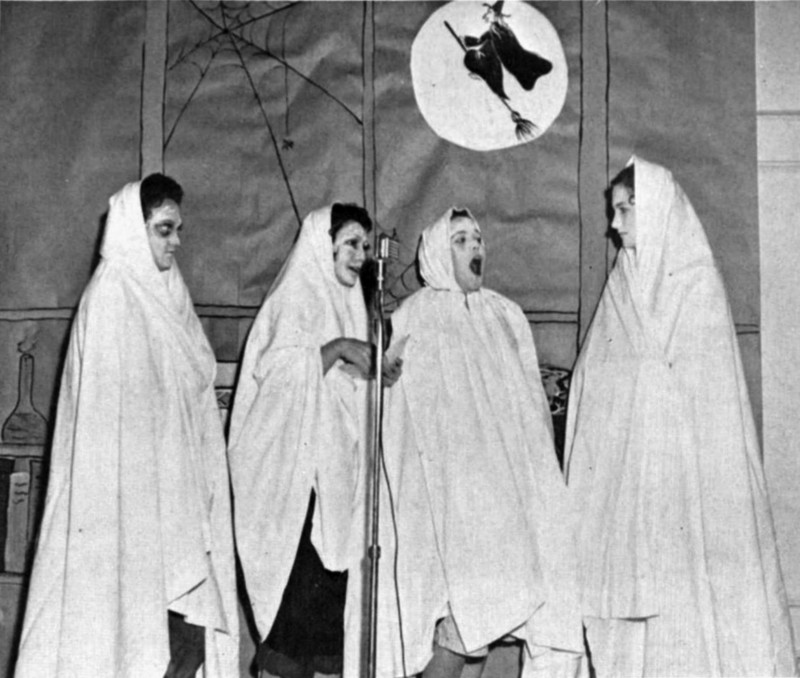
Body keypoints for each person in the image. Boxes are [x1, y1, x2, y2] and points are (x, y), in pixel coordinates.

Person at [564, 157, 796, 677]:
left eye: (625, 210)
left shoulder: (696, 283)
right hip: (632, 486)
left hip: (690, 487)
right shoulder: (623, 284)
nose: (614, 223)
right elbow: (593, 377)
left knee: (693, 615)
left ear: (655, 209)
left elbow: (708, 397)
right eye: (614, 211)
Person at [15, 174, 239, 677]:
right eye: (164, 230)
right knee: (134, 642)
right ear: (135, 230)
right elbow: (110, 424)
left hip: (174, 502)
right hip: (127, 509)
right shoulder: (113, 295)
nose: (176, 242)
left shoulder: (167, 292)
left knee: (188, 643)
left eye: (177, 230)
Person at [344, 208, 584, 678]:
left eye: (478, 238)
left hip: (503, 503)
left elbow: (529, 410)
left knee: (481, 630)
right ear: (437, 253)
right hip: (449, 505)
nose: (475, 247)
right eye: (460, 240)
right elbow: (405, 421)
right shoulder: (418, 316)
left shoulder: (505, 314)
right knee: (457, 627)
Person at [229, 203, 396, 678]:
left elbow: (337, 388)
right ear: (323, 246)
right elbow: (278, 381)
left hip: (333, 487)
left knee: (324, 625)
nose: (361, 255)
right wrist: (340, 349)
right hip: (293, 487)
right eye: (351, 244)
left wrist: (375, 373)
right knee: (290, 630)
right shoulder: (294, 296)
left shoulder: (350, 304)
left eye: (365, 246)